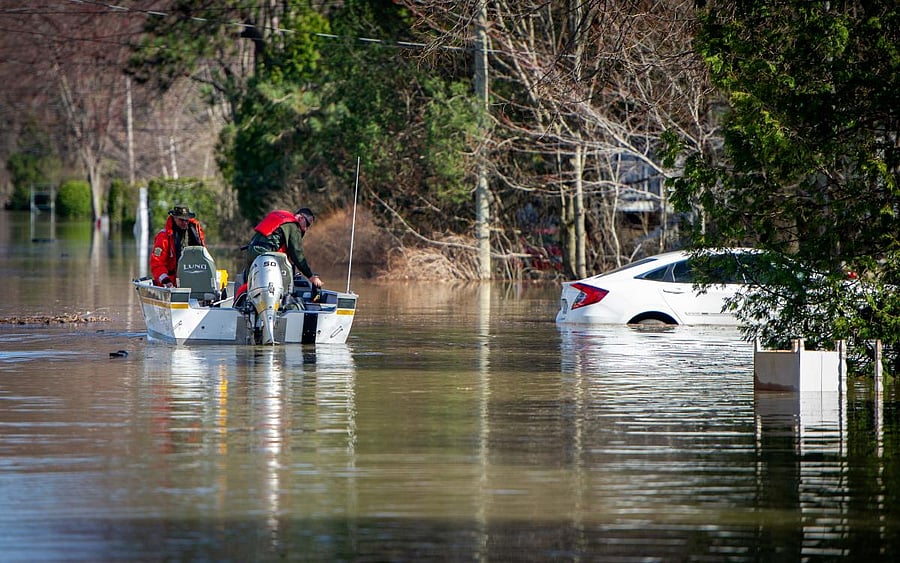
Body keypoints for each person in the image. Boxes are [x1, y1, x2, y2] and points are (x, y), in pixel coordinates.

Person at [242, 207, 323, 289]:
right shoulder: (294, 226)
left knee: (249, 286)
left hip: (250, 251)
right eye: (307, 224)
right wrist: (311, 277)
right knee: (276, 287)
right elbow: (297, 254)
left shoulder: (282, 221)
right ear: (301, 218)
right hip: (265, 255)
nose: (306, 229)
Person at [150, 205, 206, 287]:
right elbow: (157, 263)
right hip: (171, 283)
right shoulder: (163, 237)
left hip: (193, 279)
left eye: (186, 220)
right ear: (174, 218)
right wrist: (165, 280)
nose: (184, 223)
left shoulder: (195, 233)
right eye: (181, 220)